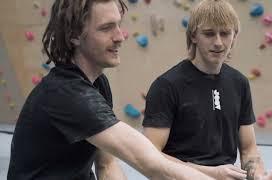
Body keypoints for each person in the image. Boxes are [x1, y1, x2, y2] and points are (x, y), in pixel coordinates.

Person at [7, 0, 214, 179]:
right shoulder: (67, 94)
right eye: (106, 28)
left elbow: (106, 165)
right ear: (74, 36)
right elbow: (153, 166)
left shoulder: (98, 84)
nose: (120, 37)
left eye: (118, 25)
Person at [142, 0, 272, 179]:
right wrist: (211, 174)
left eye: (225, 33)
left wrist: (258, 175)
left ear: (235, 36)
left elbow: (249, 149)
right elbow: (149, 157)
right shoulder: (166, 86)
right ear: (194, 36)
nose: (218, 42)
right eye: (209, 34)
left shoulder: (239, 83)